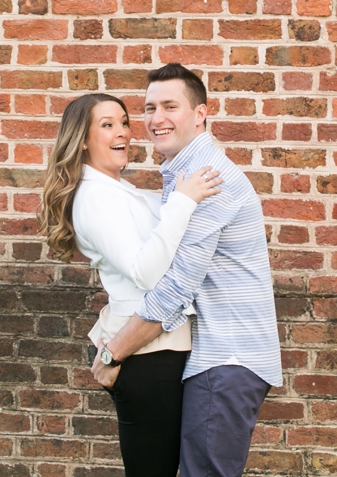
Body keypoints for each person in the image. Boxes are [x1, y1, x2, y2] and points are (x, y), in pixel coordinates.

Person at [91, 64, 282, 477]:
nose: (156, 119)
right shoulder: (184, 174)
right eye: (149, 108)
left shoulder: (208, 179)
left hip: (226, 357)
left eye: (170, 106)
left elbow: (175, 289)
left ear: (201, 113)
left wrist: (111, 353)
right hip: (217, 357)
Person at [37, 92, 222, 477]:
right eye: (107, 125)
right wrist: (183, 203)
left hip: (157, 347)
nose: (122, 132)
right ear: (83, 139)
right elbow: (146, 273)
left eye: (124, 122)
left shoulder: (123, 192)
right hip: (145, 353)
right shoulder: (96, 199)